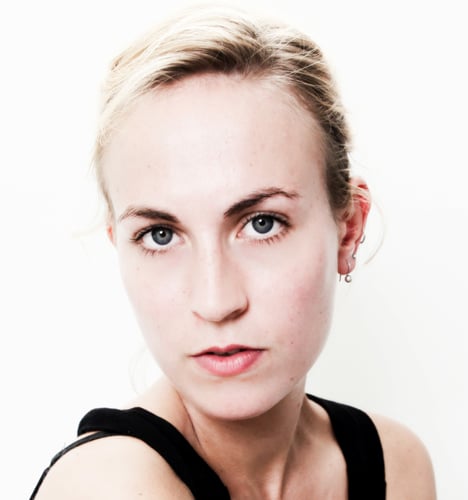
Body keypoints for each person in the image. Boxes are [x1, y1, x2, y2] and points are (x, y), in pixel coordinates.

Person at [31, 5, 435, 499]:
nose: (216, 301)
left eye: (262, 224)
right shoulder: (111, 487)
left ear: (349, 229)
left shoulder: (397, 463)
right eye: (160, 235)